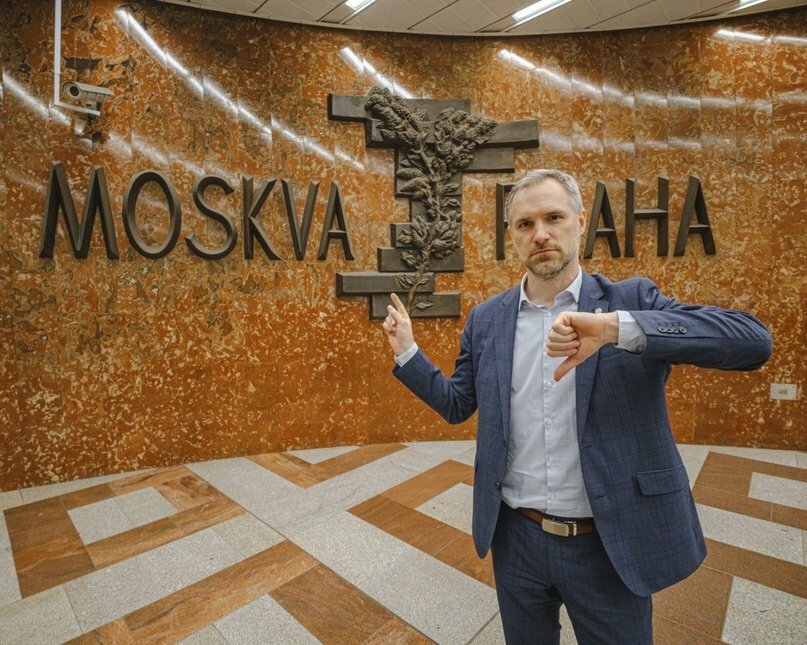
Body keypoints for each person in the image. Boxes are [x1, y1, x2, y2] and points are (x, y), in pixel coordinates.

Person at [381, 169, 772, 644]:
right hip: (517, 539)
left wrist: (615, 329)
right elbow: (457, 404)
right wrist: (408, 352)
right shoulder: (487, 320)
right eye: (525, 224)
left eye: (554, 218)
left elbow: (752, 342)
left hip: (608, 543)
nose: (540, 234)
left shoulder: (630, 301)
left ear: (581, 222)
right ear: (511, 236)